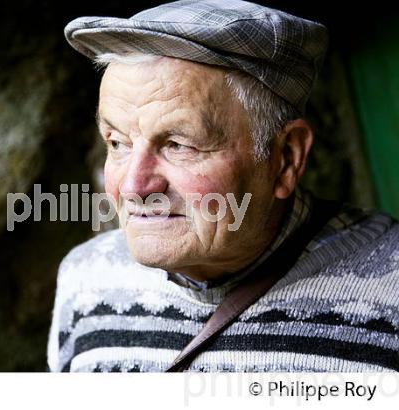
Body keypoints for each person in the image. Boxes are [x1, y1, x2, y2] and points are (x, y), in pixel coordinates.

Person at [47, 0, 399, 372]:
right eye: (118, 143)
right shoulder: (84, 277)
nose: (134, 186)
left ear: (286, 159)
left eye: (179, 146)